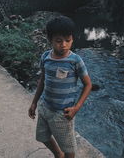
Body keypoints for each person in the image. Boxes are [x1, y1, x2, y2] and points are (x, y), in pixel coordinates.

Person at [28, 16, 92, 158]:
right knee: (42, 137)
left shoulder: (75, 60)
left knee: (68, 148)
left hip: (62, 114)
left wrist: (76, 108)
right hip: (45, 107)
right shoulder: (45, 57)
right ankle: (58, 154)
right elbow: (42, 80)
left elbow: (88, 85)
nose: (63, 45)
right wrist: (34, 103)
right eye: (58, 41)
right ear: (50, 40)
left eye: (68, 40)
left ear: (72, 39)